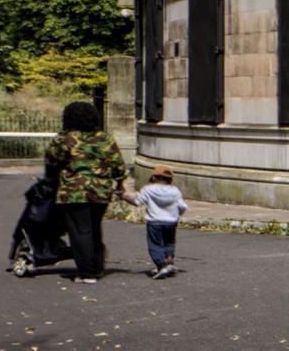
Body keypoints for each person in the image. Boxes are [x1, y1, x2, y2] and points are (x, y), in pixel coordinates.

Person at [40, 99, 127, 282]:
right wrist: (119, 184)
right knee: (94, 229)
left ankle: (87, 272)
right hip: (101, 192)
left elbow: (51, 163)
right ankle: (97, 267)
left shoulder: (63, 139)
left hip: (73, 192)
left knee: (80, 231)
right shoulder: (105, 138)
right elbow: (118, 166)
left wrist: (51, 181)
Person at [133, 165, 186, 278]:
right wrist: (177, 215)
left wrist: (123, 195)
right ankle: (169, 262)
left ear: (154, 177)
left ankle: (161, 266)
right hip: (171, 222)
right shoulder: (175, 191)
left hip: (155, 221)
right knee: (169, 242)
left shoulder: (148, 189)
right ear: (170, 179)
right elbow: (182, 206)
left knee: (155, 244)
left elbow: (138, 201)